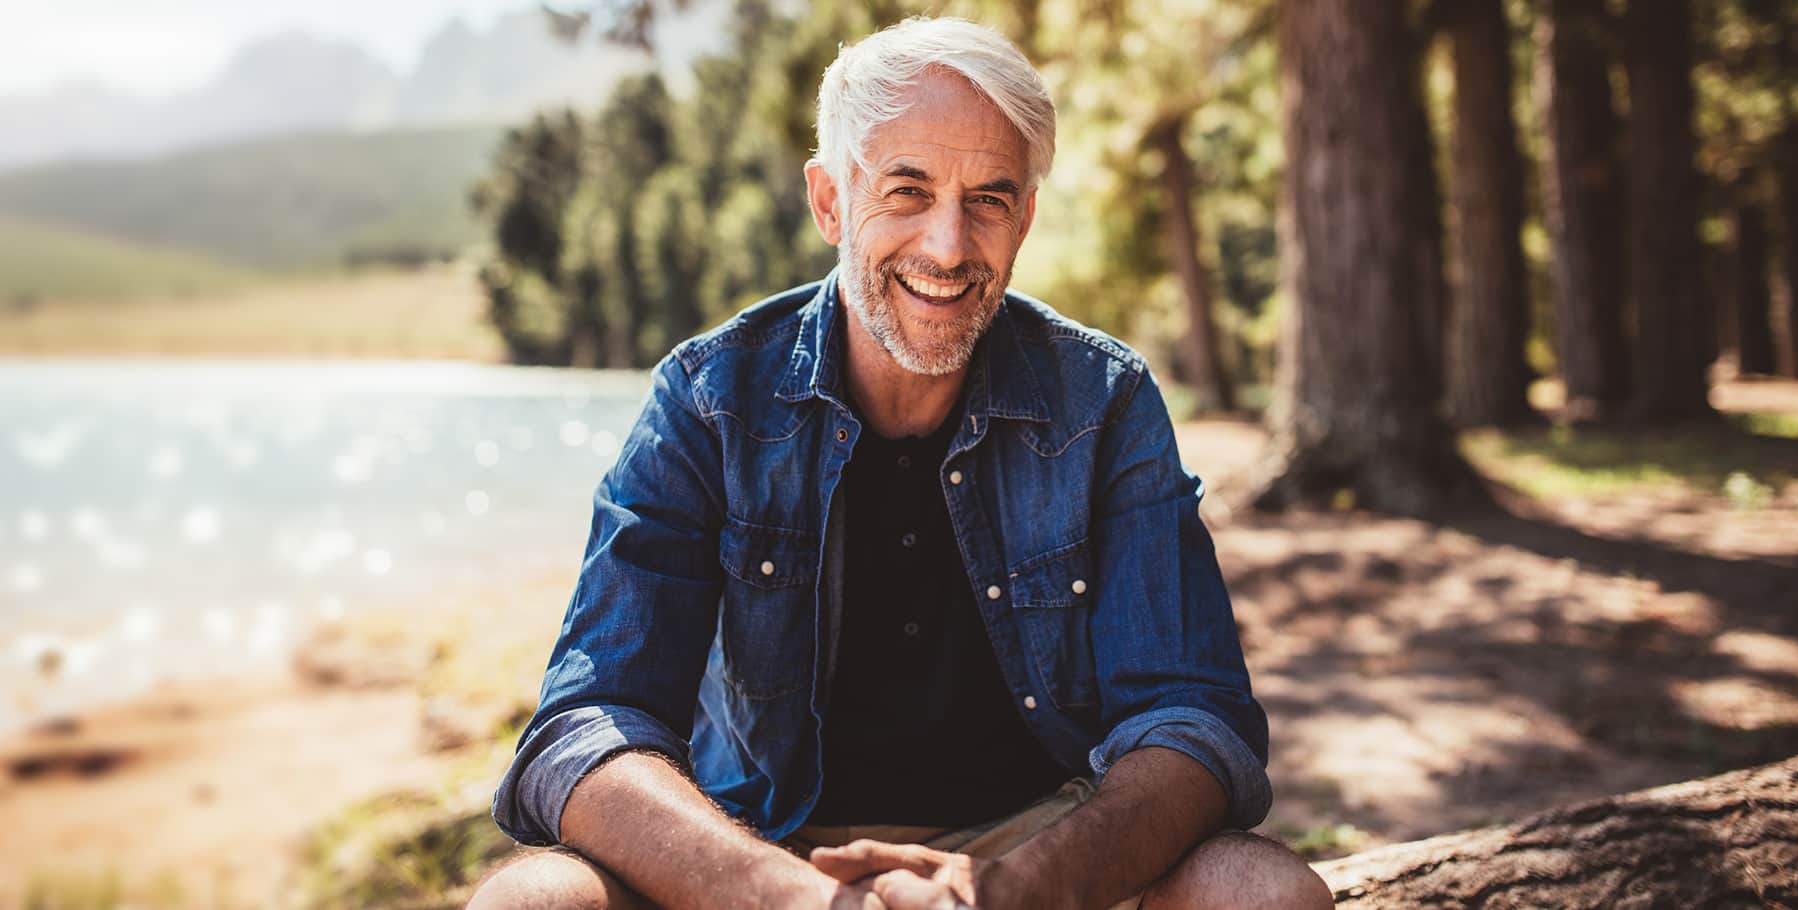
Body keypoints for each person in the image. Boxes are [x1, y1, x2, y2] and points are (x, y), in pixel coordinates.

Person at [469, 16, 1331, 910]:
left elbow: (1193, 718)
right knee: (531, 900)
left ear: (1025, 217)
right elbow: (587, 724)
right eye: (907, 190)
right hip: (756, 847)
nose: (949, 246)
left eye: (990, 199)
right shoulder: (708, 398)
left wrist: (1013, 889)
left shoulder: (1102, 400)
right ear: (830, 200)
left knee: (1259, 891)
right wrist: (792, 898)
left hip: (1038, 844)